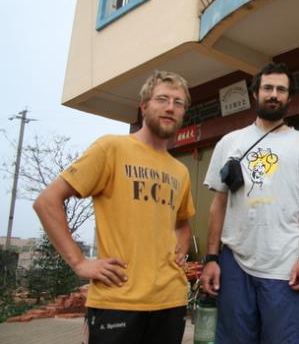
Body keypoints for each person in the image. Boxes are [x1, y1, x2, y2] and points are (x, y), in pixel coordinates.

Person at [33, 71, 196, 344]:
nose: (170, 107)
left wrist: (179, 249)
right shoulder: (111, 148)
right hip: (117, 299)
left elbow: (182, 222)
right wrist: (80, 262)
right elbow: (47, 202)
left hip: (170, 302)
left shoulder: (180, 171)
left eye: (178, 103)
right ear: (144, 107)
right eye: (163, 99)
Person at [200, 62, 299, 344]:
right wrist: (211, 258)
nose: (274, 94)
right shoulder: (229, 142)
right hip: (235, 262)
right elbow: (219, 203)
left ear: (288, 97)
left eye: (281, 90)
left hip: (285, 264)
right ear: (255, 93)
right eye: (268, 88)